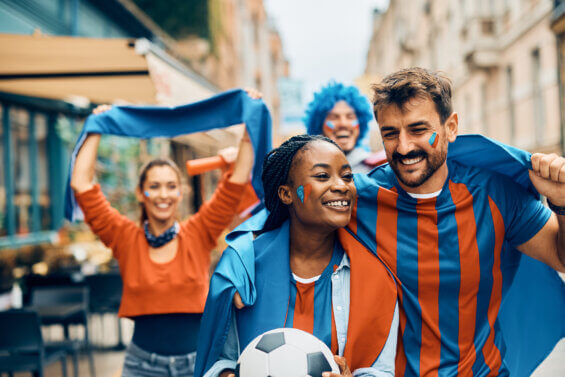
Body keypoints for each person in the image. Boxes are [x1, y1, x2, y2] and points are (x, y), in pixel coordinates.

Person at [349, 67, 565, 376]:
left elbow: (560, 255)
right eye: (390, 133)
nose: (404, 146)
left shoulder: (495, 194)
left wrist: (562, 203)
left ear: (451, 128)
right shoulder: (360, 199)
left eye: (418, 129)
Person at [70, 104, 256, 376]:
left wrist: (248, 123)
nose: (163, 195)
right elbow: (81, 185)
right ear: (140, 193)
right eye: (154, 186)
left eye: (171, 186)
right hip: (142, 367)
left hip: (196, 363)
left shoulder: (199, 231)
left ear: (181, 193)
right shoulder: (124, 237)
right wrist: (96, 125)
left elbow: (236, 182)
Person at [194, 135, 399, 377]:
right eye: (322, 176)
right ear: (286, 194)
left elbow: (382, 371)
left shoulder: (374, 276)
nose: (341, 186)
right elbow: (220, 360)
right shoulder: (245, 270)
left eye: (347, 176)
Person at [304, 82, 382, 174]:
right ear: (319, 126)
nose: (343, 124)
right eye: (334, 117)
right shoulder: (306, 171)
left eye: (350, 117)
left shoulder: (377, 170)